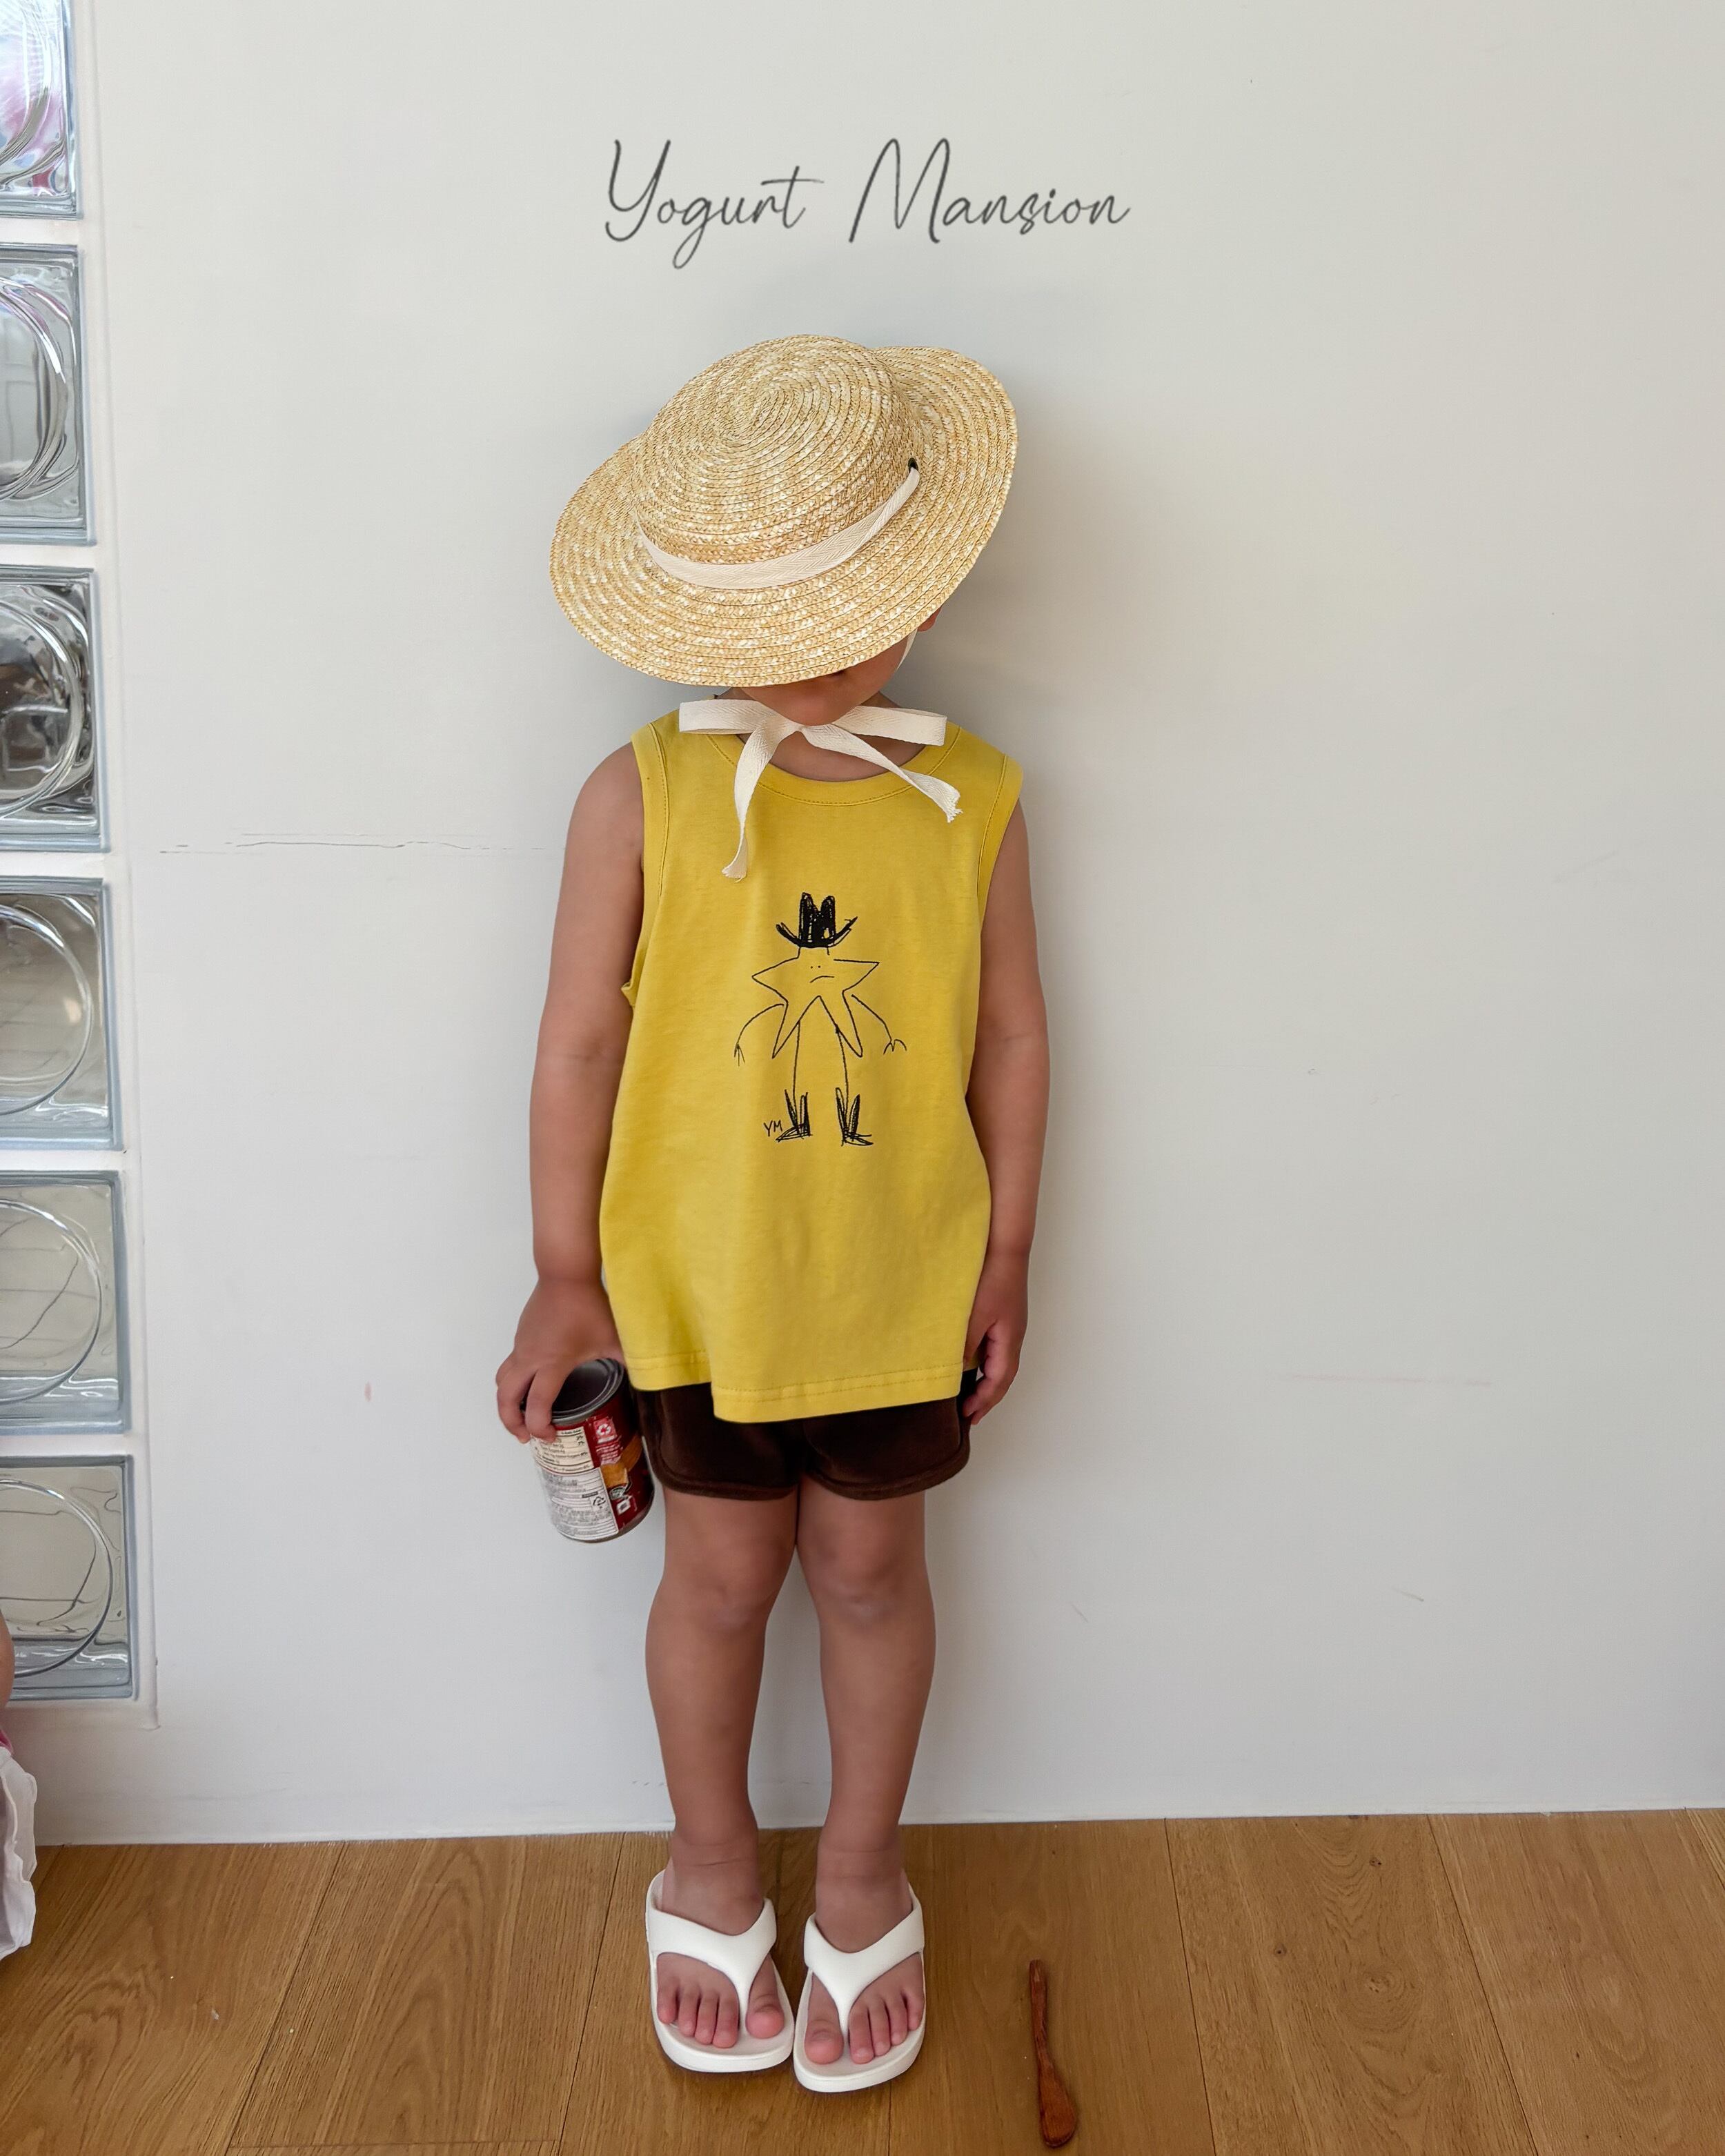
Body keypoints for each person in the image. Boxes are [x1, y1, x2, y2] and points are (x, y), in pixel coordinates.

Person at [497, 335, 1048, 2092]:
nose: (818, 656)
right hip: (699, 1294)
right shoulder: (638, 795)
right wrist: (563, 1273)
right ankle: (712, 1861)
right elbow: (578, 1043)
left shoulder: (971, 801)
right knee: (718, 1578)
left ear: (919, 584)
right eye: (777, 624)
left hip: (893, 1287)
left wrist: (1008, 1252)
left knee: (872, 1574)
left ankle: (866, 1873)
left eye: (851, 610)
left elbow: (1010, 1037)